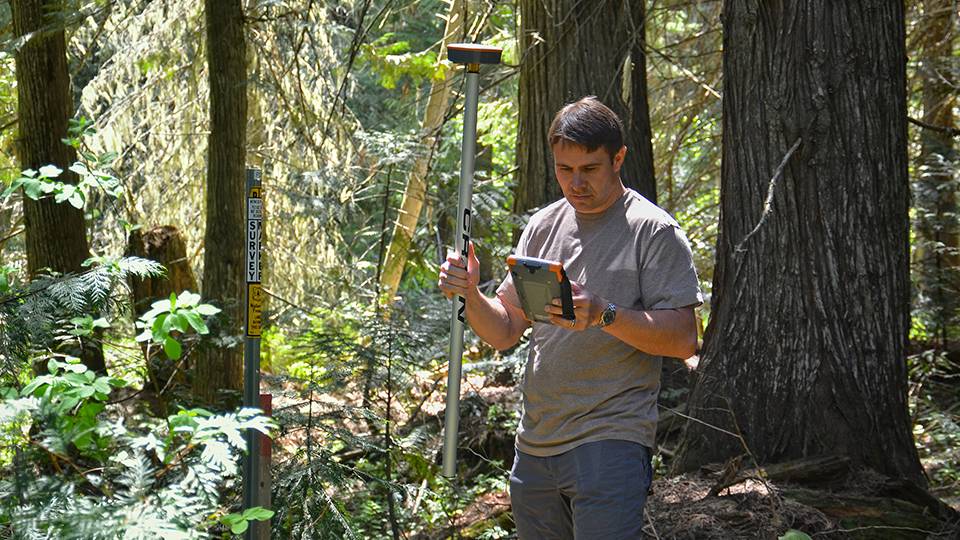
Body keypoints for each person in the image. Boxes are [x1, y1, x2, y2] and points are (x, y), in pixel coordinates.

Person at [438, 96, 702, 539]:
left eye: (589, 169)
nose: (576, 182)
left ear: (618, 158)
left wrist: (605, 314)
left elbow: (683, 340)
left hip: (611, 439)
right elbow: (504, 330)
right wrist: (470, 293)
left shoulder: (651, 231)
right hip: (536, 445)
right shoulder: (543, 227)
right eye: (565, 169)